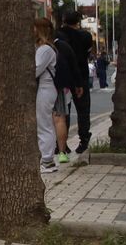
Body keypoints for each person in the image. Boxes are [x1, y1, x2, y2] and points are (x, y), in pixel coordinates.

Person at [56, 9, 93, 160]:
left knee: (63, 111)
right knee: (83, 110)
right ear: (78, 21)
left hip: (64, 77)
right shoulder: (86, 36)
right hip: (81, 76)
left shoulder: (58, 35)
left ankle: (62, 145)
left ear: (63, 19)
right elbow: (88, 53)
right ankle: (83, 140)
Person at [35, 19, 60, 173]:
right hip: (46, 88)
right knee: (44, 124)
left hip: (45, 87)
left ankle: (47, 160)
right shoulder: (46, 48)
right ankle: (46, 158)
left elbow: (35, 70)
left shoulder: (45, 49)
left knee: (44, 125)